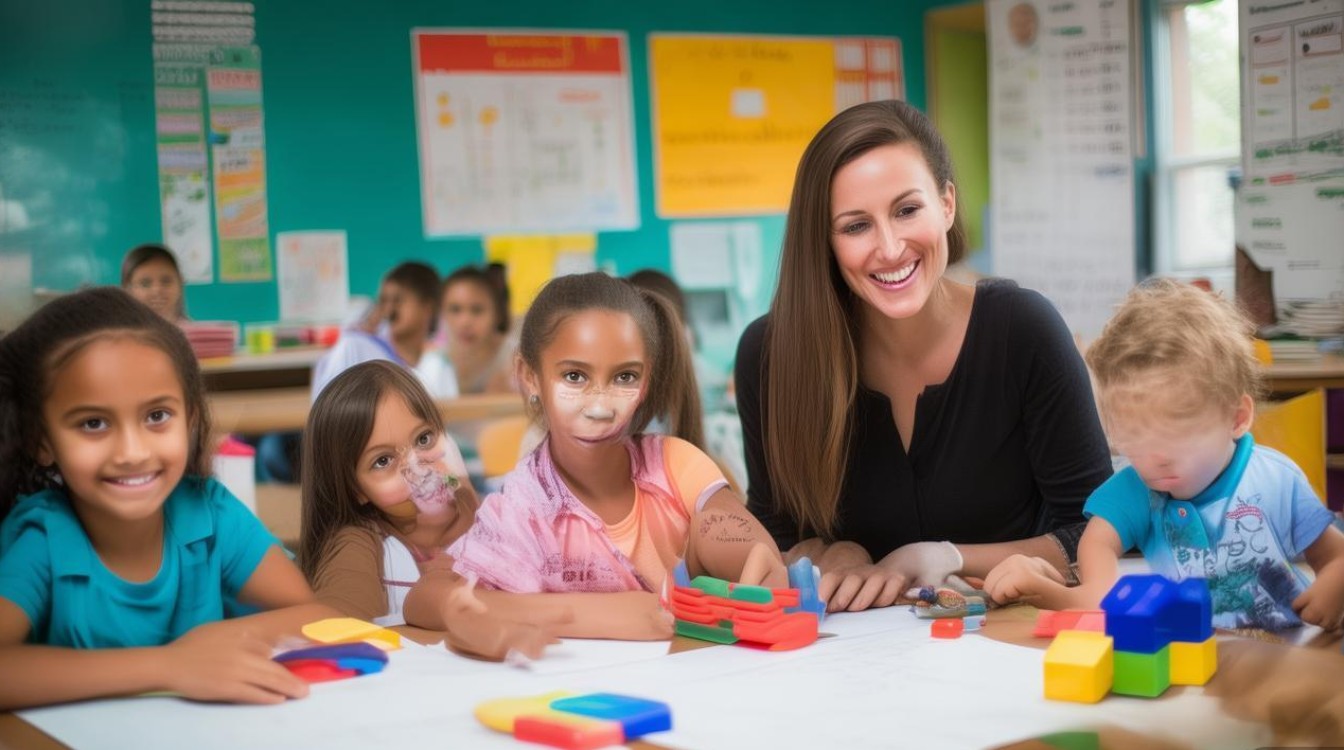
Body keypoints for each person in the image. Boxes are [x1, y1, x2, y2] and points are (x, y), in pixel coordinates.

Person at [735, 99, 1113, 612]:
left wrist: (948, 557)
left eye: (907, 210)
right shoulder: (772, 356)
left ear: (947, 205)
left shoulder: (1023, 331)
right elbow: (773, 536)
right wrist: (828, 554)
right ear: (825, 241)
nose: (890, 248)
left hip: (1014, 640)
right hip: (851, 660)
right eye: (855, 226)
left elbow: (1096, 527)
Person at [405, 272, 787, 645]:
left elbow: (730, 533)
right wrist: (586, 615)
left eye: (624, 377)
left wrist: (756, 558)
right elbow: (424, 599)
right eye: (574, 376)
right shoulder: (526, 508)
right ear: (529, 375)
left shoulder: (674, 465)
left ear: (647, 379)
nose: (601, 407)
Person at [0, 287, 333, 710]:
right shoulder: (43, 537)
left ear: (190, 419)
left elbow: (318, 617)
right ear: (41, 440)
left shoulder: (210, 513)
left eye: (157, 416)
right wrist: (170, 665)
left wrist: (216, 639)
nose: (133, 452)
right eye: (93, 423)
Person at [984, 279, 1344, 632]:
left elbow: (1336, 557)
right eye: (1134, 438)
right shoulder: (1137, 489)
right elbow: (1098, 572)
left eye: (1176, 435)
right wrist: (1054, 590)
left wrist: (1333, 586)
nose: (1155, 458)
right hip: (1190, 655)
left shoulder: (1275, 480)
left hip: (1283, 650)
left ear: (1236, 418)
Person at [299, 361, 478, 625]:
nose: (418, 470)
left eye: (424, 439)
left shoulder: (491, 511)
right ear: (356, 491)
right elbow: (338, 621)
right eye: (383, 461)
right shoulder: (357, 542)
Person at [311, 261, 458, 401]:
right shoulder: (356, 348)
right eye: (383, 301)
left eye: (397, 301)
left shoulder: (439, 362)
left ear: (428, 307)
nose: (388, 310)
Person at [439, 263, 515, 395]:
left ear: (497, 314)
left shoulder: (517, 360)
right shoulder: (434, 360)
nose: (465, 322)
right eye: (455, 309)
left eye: (477, 310)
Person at [121, 243, 187, 323]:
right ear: (128, 290)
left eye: (166, 281)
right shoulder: (115, 333)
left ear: (180, 283)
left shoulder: (196, 333)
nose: (157, 290)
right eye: (145, 284)